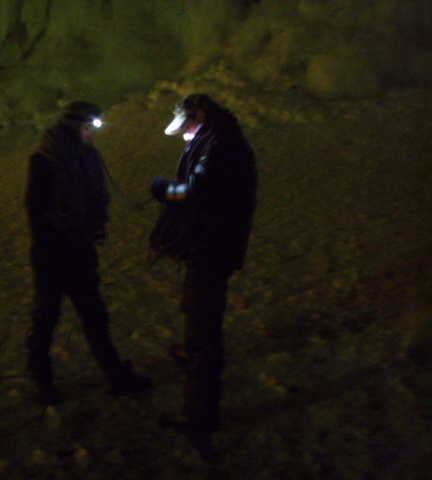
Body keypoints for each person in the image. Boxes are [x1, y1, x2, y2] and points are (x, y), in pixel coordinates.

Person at [150, 94, 257, 462]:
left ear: (202, 115)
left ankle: (200, 412)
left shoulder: (222, 148)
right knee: (196, 306)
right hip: (211, 244)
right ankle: (193, 351)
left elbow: (198, 191)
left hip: (213, 247)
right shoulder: (218, 140)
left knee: (203, 322)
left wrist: (165, 190)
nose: (185, 134)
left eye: (188, 126)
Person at [24, 100, 153, 405]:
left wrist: (93, 225)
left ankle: (115, 375)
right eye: (86, 127)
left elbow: (94, 196)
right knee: (46, 317)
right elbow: (35, 209)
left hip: (80, 250)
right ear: (72, 128)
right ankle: (41, 379)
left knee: (95, 315)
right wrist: (57, 241)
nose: (91, 133)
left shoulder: (87, 157)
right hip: (53, 255)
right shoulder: (45, 160)